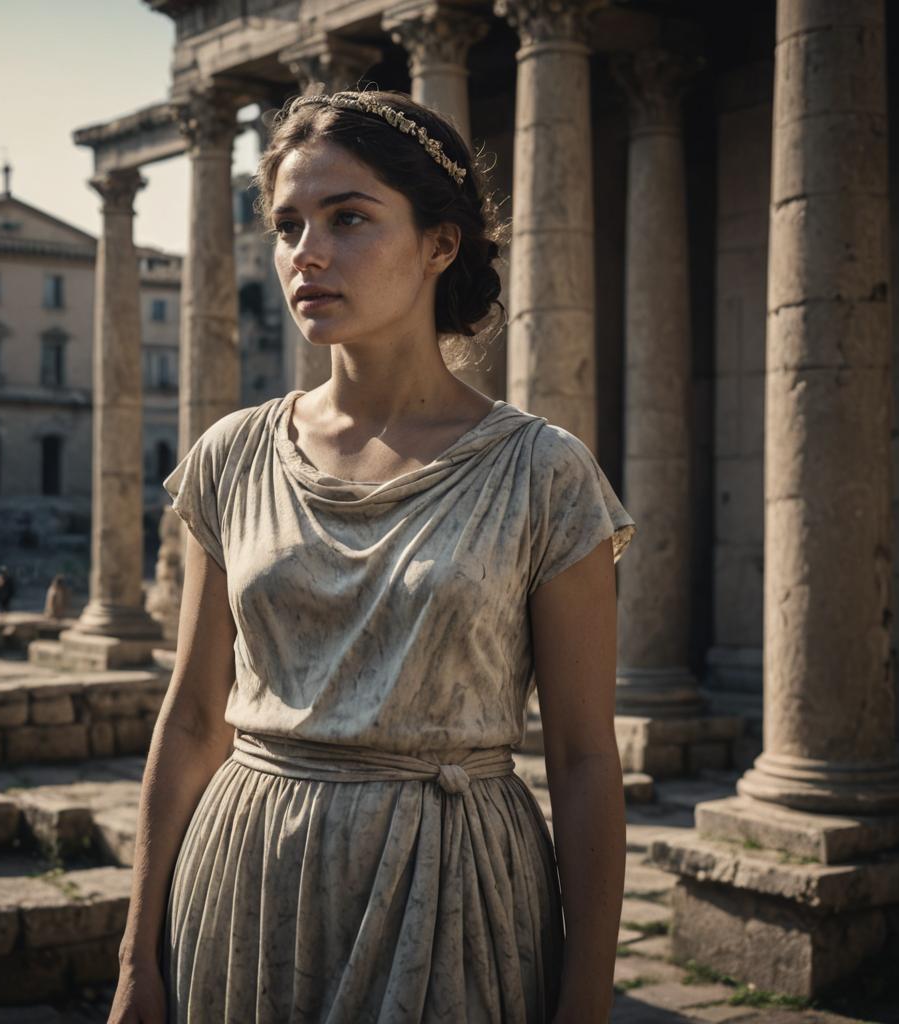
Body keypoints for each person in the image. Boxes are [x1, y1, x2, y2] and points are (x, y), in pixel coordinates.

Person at [109, 88, 636, 1024]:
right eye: (288, 224)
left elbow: (587, 757)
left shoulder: (543, 473)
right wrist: (135, 959)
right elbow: (193, 717)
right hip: (246, 882)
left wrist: (588, 995)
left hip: (455, 890)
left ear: (441, 244)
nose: (305, 252)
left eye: (348, 218)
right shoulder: (233, 455)